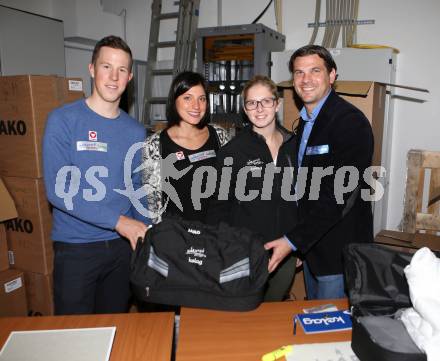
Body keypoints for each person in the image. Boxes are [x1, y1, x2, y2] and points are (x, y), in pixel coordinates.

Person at [43, 35, 149, 315]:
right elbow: (58, 190)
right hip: (76, 249)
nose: (113, 77)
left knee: (115, 327)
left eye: (122, 69)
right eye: (106, 67)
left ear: (130, 78)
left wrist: (148, 231)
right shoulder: (63, 121)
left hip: (121, 250)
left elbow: (136, 186)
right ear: (91, 69)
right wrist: (119, 222)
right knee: (75, 337)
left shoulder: (135, 131)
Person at [264, 45, 374, 300]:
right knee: (313, 321)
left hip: (337, 252)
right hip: (313, 247)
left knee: (329, 329)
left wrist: (292, 241)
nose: (306, 79)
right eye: (299, 73)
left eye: (315, 70)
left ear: (332, 75)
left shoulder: (349, 122)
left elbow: (338, 196)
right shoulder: (306, 121)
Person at [207, 75, 298, 302]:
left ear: (277, 104)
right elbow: (218, 209)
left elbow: (302, 200)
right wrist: (226, 253)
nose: (259, 109)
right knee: (246, 319)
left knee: (274, 317)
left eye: (266, 101)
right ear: (244, 109)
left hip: (285, 252)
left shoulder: (294, 146)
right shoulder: (233, 152)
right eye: (251, 103)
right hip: (246, 254)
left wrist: (299, 244)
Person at [141, 71, 230, 225]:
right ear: (174, 101)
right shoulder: (155, 145)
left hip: (216, 235)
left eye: (201, 99)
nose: (196, 106)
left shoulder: (219, 135)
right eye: (187, 98)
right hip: (177, 238)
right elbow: (153, 203)